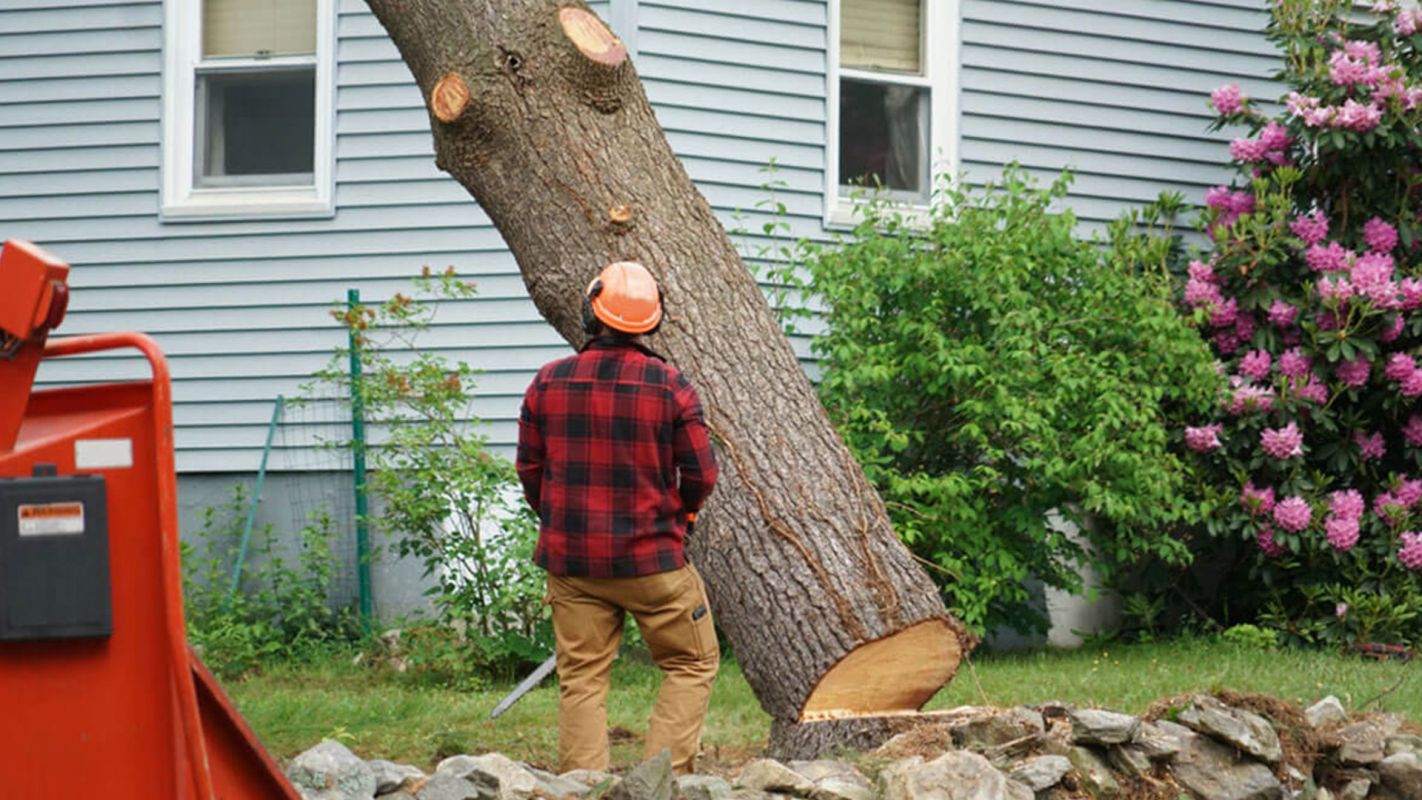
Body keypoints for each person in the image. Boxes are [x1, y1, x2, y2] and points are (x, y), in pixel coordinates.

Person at [515, 261, 720, 775]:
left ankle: (580, 788)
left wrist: (562, 522)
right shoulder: (671, 386)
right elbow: (702, 473)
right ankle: (663, 783)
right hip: (653, 562)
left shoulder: (547, 382)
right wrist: (684, 516)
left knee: (581, 677)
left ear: (591, 313)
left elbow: (530, 470)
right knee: (692, 662)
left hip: (573, 563)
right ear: (652, 321)